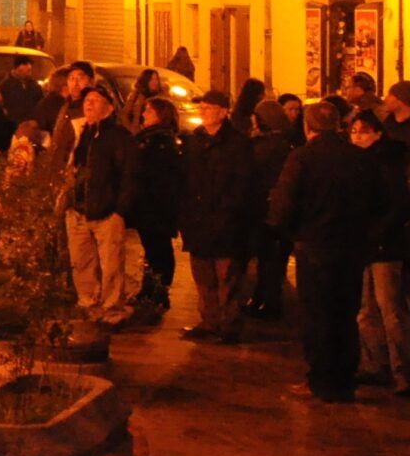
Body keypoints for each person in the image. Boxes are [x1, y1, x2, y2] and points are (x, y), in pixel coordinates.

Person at [270, 102, 382, 403]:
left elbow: (284, 202)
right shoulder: (359, 159)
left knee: (318, 315)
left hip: (315, 246)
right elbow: (377, 201)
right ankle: (344, 380)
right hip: (351, 247)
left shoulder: (303, 158)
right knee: (345, 314)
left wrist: (289, 231)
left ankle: (320, 379)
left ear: (308, 127)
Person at [348, 109, 410, 393]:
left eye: (363, 131)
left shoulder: (388, 163)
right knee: (366, 309)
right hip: (366, 244)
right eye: (354, 131)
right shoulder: (360, 162)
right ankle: (374, 364)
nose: (357, 136)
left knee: (390, 309)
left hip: (385, 246)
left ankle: (404, 373)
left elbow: (398, 207)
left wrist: (373, 234)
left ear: (378, 133)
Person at [180, 88, 257, 342]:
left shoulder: (237, 144)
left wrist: (229, 211)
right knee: (204, 277)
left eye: (209, 107)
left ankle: (230, 325)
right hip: (199, 221)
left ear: (224, 112)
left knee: (228, 277)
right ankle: (209, 321)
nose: (203, 112)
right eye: (201, 107)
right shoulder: (194, 141)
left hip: (226, 222)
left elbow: (244, 185)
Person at [64, 86, 139, 326]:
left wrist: (120, 210)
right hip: (78, 210)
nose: (89, 104)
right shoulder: (80, 134)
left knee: (111, 264)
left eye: (95, 101)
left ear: (108, 108)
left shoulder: (119, 137)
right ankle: (87, 304)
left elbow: (130, 176)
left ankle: (111, 309)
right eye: (87, 100)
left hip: (106, 211)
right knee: (81, 261)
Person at [125, 97, 185, 325]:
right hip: (148, 206)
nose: (144, 114)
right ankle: (150, 290)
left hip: (157, 206)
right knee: (152, 249)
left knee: (159, 250)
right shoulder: (149, 138)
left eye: (148, 110)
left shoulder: (161, 142)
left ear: (161, 114)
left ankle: (159, 291)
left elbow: (160, 176)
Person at [245, 98, 297, 319]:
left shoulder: (265, 147)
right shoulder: (285, 144)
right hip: (278, 210)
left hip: (266, 209)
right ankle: (263, 298)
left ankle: (268, 301)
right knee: (273, 259)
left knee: (269, 259)